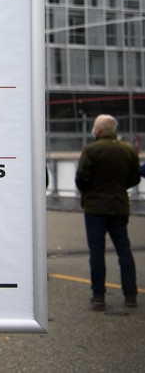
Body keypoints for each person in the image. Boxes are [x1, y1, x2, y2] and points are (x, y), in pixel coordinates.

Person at [75, 114, 141, 310]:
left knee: (97, 251)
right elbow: (135, 178)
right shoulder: (127, 150)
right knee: (124, 250)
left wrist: (91, 190)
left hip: (95, 208)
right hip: (119, 206)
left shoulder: (92, 150)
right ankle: (130, 295)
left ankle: (98, 296)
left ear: (99, 130)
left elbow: (81, 179)